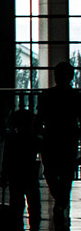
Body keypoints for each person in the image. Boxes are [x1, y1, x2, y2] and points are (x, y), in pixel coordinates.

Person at [42, 61, 79, 221]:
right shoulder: (75, 96)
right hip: (68, 139)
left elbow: (39, 118)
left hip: (51, 138)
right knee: (66, 174)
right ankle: (62, 202)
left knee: (50, 172)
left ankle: (60, 200)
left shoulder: (47, 95)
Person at [0, 108, 43, 231]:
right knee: (34, 203)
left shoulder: (11, 139)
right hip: (30, 174)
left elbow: (6, 159)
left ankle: (17, 229)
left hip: (15, 174)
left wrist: (3, 176)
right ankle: (34, 230)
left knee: (16, 204)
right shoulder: (34, 139)